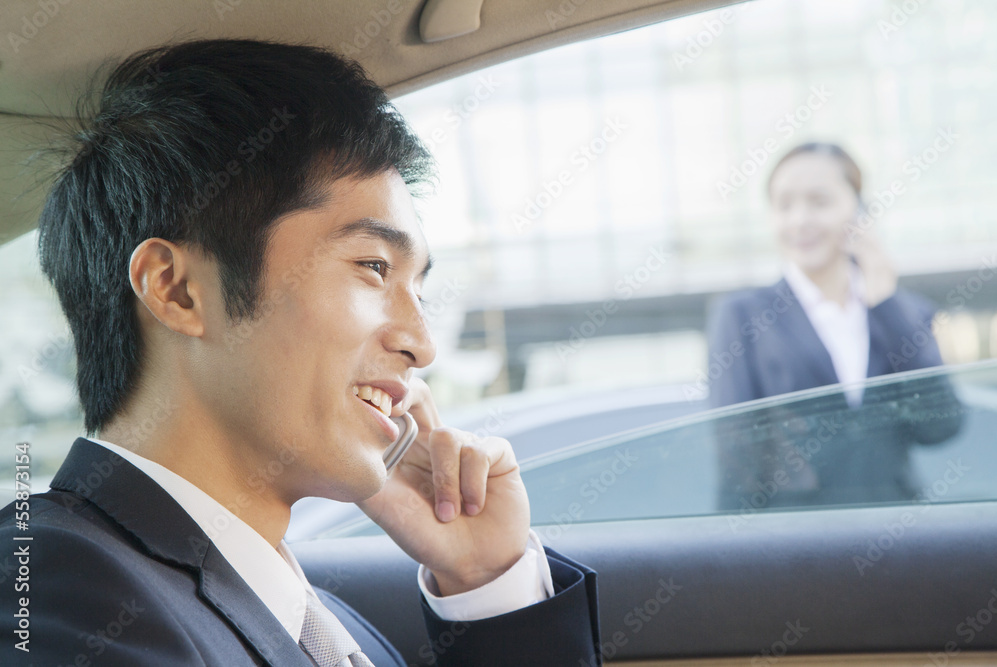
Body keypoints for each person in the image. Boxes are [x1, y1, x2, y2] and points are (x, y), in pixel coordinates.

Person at [0, 40, 601, 666]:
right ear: (178, 291)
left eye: (419, 288)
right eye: (373, 267)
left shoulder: (319, 621)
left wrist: (486, 579)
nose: (420, 344)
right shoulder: (53, 594)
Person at [707, 142, 963, 511]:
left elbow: (942, 427)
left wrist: (886, 303)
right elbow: (737, 465)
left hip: (899, 539)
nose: (799, 220)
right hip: (799, 548)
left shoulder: (904, 313)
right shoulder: (742, 316)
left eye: (819, 201)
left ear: (861, 212)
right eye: (784, 205)